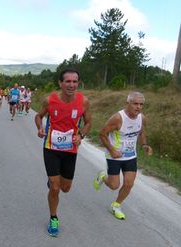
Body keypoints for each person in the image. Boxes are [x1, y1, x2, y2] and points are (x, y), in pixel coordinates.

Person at [34, 68, 92, 237]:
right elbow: (38, 116)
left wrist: (81, 135)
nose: (71, 85)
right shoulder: (49, 100)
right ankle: (53, 218)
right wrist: (39, 127)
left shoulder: (84, 102)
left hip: (70, 150)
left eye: (75, 81)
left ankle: (54, 183)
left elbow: (88, 123)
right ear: (60, 83)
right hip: (51, 147)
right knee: (56, 187)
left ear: (78, 83)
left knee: (65, 188)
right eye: (68, 81)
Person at [93, 92, 153, 220]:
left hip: (131, 156)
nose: (138, 107)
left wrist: (144, 145)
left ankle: (116, 205)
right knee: (114, 185)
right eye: (135, 103)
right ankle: (103, 177)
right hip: (114, 156)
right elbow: (102, 134)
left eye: (141, 104)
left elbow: (141, 132)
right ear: (128, 103)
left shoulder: (142, 118)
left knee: (129, 183)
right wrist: (112, 150)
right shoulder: (117, 118)